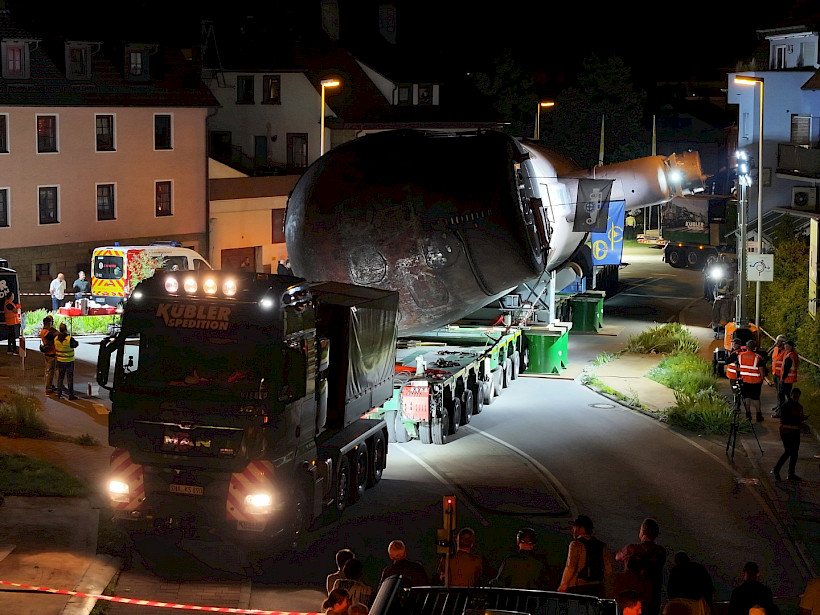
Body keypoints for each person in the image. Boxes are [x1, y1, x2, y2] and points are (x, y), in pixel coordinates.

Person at [615, 519, 666, 615]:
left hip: (634, 598)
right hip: (653, 597)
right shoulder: (661, 551)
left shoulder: (631, 549)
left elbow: (618, 557)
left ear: (643, 531)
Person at [558, 514, 614, 597]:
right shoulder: (602, 546)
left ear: (581, 528)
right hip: (597, 587)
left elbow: (570, 567)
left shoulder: (576, 544)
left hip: (578, 587)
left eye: (574, 527)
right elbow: (609, 570)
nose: (573, 530)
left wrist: (563, 585)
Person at [772, 388, 806, 481]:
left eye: (797, 396)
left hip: (794, 432)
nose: (796, 397)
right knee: (789, 451)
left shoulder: (798, 406)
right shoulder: (787, 406)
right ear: (791, 395)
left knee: (794, 452)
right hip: (787, 432)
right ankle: (777, 469)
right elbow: (784, 420)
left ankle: (791, 473)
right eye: (795, 395)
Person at [737, 339, 765, 422]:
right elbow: (761, 370)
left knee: (746, 398)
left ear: (746, 347)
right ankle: (758, 415)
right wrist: (762, 378)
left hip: (744, 381)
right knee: (756, 398)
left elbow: (738, 367)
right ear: (754, 348)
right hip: (755, 382)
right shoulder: (758, 357)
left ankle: (748, 414)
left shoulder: (740, 355)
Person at [54, 322, 79, 399]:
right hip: (69, 361)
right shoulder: (69, 339)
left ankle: (59, 393)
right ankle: (71, 395)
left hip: (60, 361)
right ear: (66, 330)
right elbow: (76, 344)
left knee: (60, 378)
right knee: (70, 378)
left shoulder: (56, 339)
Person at [777, 340, 799, 414]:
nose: (785, 346)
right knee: (788, 395)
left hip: (787, 379)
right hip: (790, 379)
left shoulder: (789, 356)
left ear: (790, 347)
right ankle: (792, 410)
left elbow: (786, 369)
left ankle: (781, 412)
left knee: (782, 395)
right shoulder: (793, 354)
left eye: (786, 345)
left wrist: (782, 379)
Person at [40, 315, 58, 394]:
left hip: (48, 353)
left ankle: (50, 385)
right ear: (48, 323)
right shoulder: (47, 333)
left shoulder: (43, 331)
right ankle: (48, 387)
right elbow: (55, 337)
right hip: (51, 353)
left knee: (49, 370)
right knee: (50, 371)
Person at [769, 335, 786, 416]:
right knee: (777, 391)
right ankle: (778, 405)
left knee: (781, 393)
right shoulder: (775, 349)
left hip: (781, 375)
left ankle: (781, 408)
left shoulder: (785, 351)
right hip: (775, 373)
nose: (776, 343)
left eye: (778, 341)